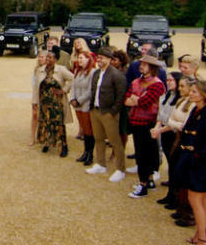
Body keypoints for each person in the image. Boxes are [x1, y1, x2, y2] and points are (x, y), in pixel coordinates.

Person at [173, 80, 206, 245]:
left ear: (203, 95)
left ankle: (203, 241)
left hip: (201, 163)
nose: (190, 94)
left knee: (196, 200)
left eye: (194, 91)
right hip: (194, 160)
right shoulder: (197, 109)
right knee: (201, 200)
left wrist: (196, 154)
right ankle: (200, 233)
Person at [125, 55, 167, 198]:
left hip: (149, 123)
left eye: (144, 64)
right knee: (140, 152)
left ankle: (144, 183)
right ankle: (146, 180)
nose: (140, 66)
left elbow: (146, 101)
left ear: (152, 68)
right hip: (136, 122)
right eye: (141, 64)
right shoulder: (136, 81)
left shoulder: (157, 84)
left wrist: (136, 100)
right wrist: (137, 100)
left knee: (148, 153)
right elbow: (127, 100)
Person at [86, 46, 128, 182]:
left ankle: (120, 169)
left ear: (109, 59)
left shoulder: (116, 75)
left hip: (109, 112)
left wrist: (113, 111)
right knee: (98, 138)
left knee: (115, 141)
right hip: (96, 110)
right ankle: (100, 163)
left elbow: (121, 95)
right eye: (98, 58)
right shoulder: (97, 73)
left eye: (102, 58)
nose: (99, 60)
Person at [34, 49, 74, 157]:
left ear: (55, 59)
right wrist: (35, 101)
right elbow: (36, 87)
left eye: (50, 57)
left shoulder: (61, 70)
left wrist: (64, 90)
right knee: (45, 122)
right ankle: (47, 142)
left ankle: (63, 145)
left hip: (57, 102)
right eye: (47, 57)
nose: (47, 59)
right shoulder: (41, 70)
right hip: (44, 101)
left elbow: (72, 78)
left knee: (59, 123)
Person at [151, 71, 182, 205]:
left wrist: (159, 130)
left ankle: (175, 196)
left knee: (175, 165)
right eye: (167, 80)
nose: (168, 82)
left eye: (171, 80)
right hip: (163, 131)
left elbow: (174, 121)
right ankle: (171, 194)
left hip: (173, 133)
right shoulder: (165, 96)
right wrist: (157, 128)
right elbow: (160, 114)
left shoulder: (180, 100)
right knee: (170, 164)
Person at [70, 51, 97, 165]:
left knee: (89, 130)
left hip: (85, 105)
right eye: (78, 58)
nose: (79, 60)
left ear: (88, 59)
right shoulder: (77, 71)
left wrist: (79, 100)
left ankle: (90, 153)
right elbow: (73, 86)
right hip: (77, 106)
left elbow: (90, 90)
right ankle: (85, 152)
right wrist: (72, 98)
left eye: (81, 58)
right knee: (84, 130)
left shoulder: (92, 72)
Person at [29, 50, 48, 146]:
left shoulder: (49, 69)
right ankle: (32, 137)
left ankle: (44, 137)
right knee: (34, 116)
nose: (40, 59)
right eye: (39, 57)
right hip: (36, 96)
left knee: (44, 118)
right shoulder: (36, 69)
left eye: (42, 57)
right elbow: (34, 85)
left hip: (45, 97)